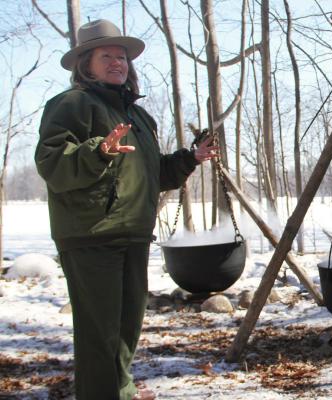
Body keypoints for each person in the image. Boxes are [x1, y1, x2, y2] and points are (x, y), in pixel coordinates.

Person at [34, 20, 218, 400]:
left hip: (133, 232)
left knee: (125, 330)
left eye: (122, 57)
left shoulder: (138, 118)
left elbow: (152, 174)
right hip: (91, 234)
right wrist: (98, 150)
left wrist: (190, 158)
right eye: (107, 56)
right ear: (86, 63)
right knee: (100, 333)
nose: (118, 62)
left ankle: (121, 391)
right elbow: (53, 164)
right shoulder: (72, 105)